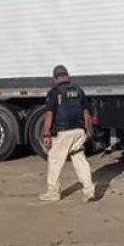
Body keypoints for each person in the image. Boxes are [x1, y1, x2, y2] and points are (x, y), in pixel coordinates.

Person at [39, 65, 96, 202]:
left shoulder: (54, 92)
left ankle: (53, 193)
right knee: (79, 159)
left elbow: (49, 114)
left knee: (55, 160)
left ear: (54, 78)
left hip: (63, 132)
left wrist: (46, 134)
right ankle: (89, 191)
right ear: (68, 75)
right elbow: (86, 112)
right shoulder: (78, 90)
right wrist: (88, 129)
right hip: (79, 131)